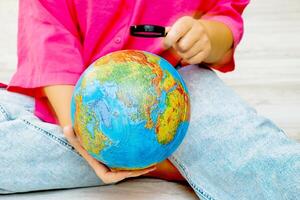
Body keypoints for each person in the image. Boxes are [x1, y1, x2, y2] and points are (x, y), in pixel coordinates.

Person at [0, 0, 299, 199]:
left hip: (177, 89)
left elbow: (224, 16)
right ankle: (168, 162)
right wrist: (81, 132)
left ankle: (160, 159)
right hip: (70, 96)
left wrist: (207, 35)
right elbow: (47, 30)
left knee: (267, 164)